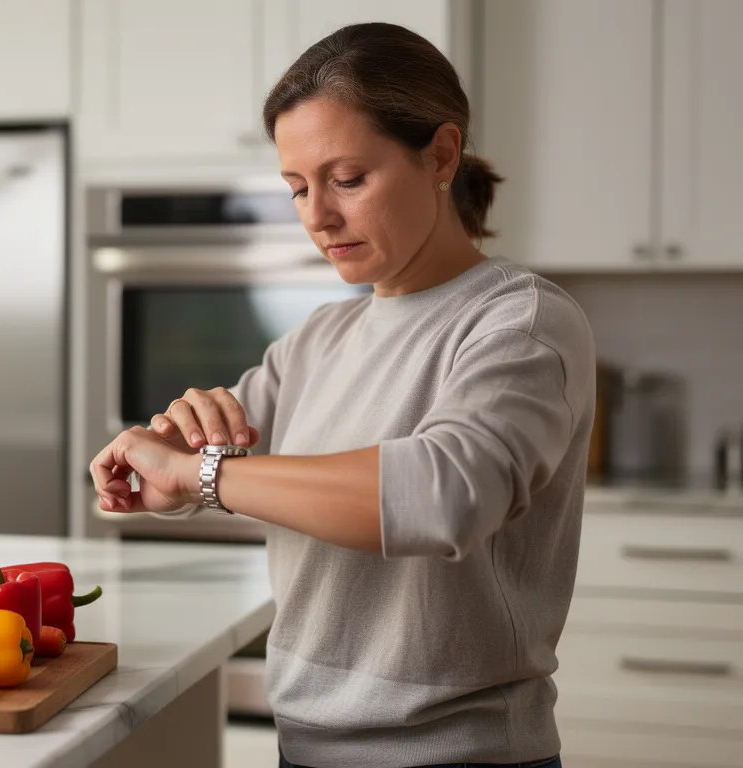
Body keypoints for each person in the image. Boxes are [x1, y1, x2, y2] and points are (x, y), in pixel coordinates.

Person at [89, 22, 594, 768]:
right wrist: (168, 458)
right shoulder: (313, 342)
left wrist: (207, 479)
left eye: (348, 179)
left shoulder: (520, 321)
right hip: (307, 748)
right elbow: (202, 456)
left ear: (442, 156)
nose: (317, 215)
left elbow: (444, 495)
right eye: (297, 188)